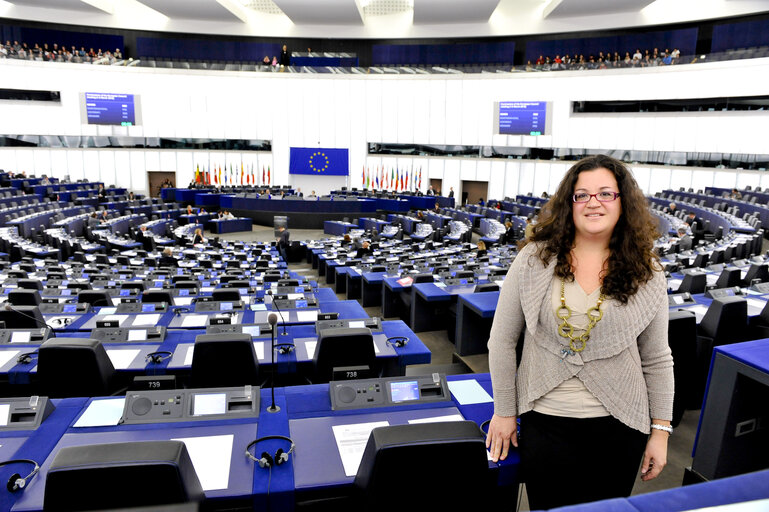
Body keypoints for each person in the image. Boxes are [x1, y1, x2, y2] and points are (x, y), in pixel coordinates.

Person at [486, 154, 673, 510]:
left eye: (605, 193)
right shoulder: (533, 259)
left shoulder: (647, 271)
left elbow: (657, 358)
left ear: (623, 203)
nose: (593, 203)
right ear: (569, 203)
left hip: (620, 426)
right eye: (582, 194)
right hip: (546, 423)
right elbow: (502, 341)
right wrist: (505, 411)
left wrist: (660, 431)